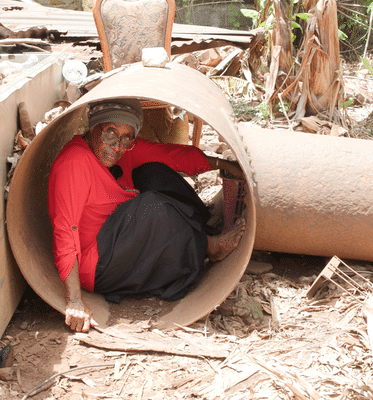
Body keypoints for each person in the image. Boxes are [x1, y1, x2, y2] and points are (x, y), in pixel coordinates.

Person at [48, 98, 246, 332]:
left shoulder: (121, 150)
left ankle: (198, 226)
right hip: (96, 263)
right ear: (93, 128)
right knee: (153, 206)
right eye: (110, 134)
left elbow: (169, 155)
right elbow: (65, 229)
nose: (117, 146)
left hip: (119, 234)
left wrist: (223, 164)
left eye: (126, 138)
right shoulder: (74, 162)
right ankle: (208, 246)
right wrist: (74, 300)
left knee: (154, 171)